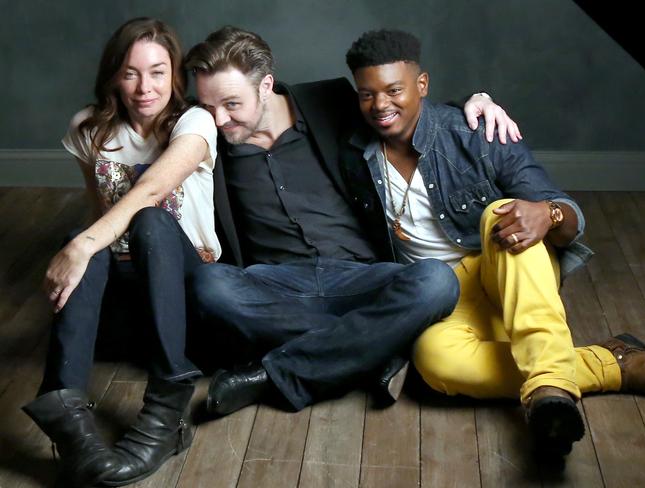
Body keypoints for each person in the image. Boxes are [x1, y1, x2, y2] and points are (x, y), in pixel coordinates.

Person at [341, 28, 645, 457]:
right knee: (434, 362)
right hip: (443, 293)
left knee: (501, 212)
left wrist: (549, 213)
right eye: (366, 94)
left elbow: (568, 214)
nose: (380, 105)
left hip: (506, 274)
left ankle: (550, 388)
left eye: (394, 90)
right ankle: (611, 364)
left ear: (422, 84)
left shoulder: (476, 131)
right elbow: (288, 104)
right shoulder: (354, 153)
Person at [183, 26, 519, 417]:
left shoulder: (330, 100)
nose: (219, 118)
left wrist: (477, 101)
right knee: (209, 285)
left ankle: (278, 373)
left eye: (231, 104)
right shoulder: (205, 136)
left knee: (435, 282)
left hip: (361, 278)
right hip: (275, 286)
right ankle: (376, 347)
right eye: (209, 107)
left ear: (265, 85)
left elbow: (409, 115)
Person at [22, 18, 219, 487]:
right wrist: (88, 244)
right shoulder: (88, 128)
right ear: (113, 75)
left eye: (157, 71)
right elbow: (98, 211)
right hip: (127, 281)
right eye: (130, 72)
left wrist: (83, 244)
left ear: (175, 74)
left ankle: (169, 403)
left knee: (142, 220)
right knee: (88, 235)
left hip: (189, 277)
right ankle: (63, 405)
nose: (144, 87)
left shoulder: (195, 122)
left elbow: (152, 191)